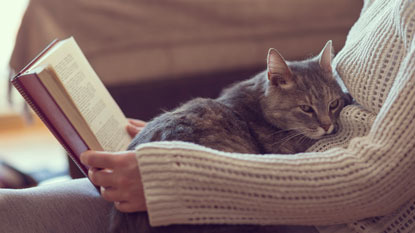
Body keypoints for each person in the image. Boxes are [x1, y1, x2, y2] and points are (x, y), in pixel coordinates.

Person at [1, 0, 415, 232]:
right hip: (271, 176)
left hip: (328, 213)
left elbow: (379, 179)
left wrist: (182, 175)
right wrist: (183, 138)